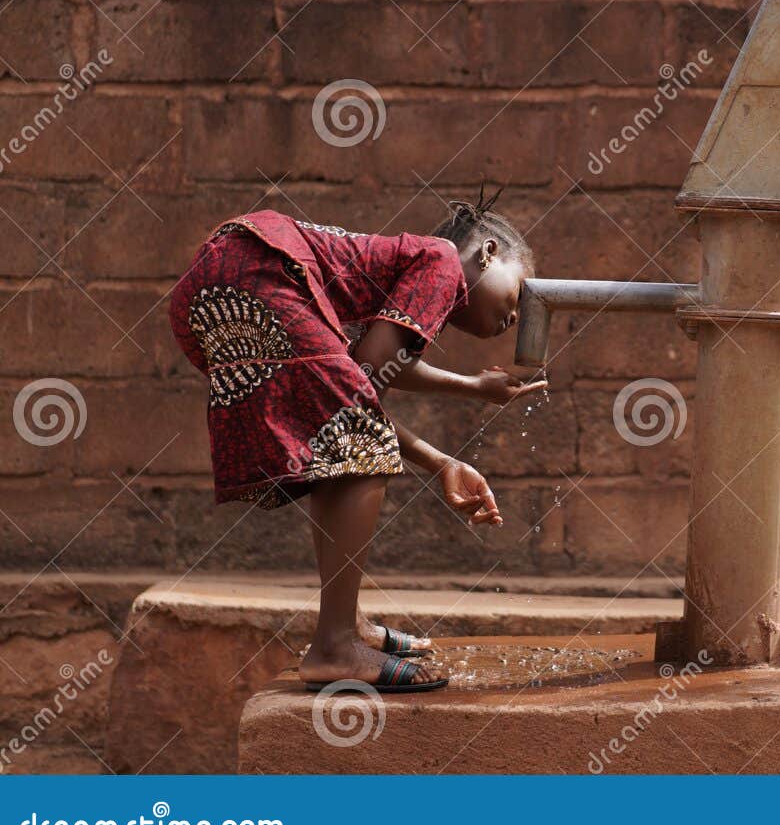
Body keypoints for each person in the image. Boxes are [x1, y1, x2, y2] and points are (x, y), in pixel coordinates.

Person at [169, 189, 544, 689]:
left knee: (336, 438)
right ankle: (334, 646)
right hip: (257, 268)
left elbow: (359, 376)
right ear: (488, 254)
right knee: (352, 438)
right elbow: (366, 384)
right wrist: (452, 431)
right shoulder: (442, 261)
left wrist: (461, 416)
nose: (516, 316)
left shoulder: (391, 280)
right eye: (519, 292)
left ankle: (345, 626)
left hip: (216, 284)